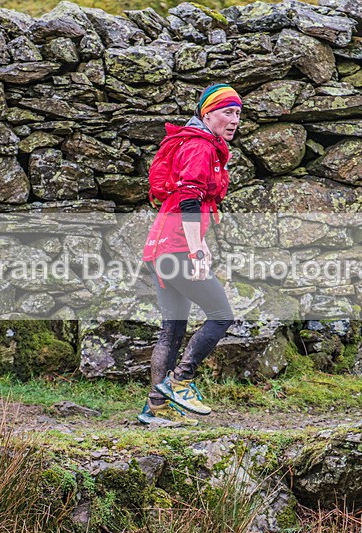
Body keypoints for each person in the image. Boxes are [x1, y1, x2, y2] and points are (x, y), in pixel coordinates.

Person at [138, 84, 241, 426]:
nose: (234, 119)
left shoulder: (193, 142)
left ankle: (156, 409)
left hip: (160, 248)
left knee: (172, 329)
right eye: (227, 111)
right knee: (221, 314)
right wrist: (196, 249)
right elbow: (189, 200)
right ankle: (181, 382)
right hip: (177, 249)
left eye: (238, 113)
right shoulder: (200, 145)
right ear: (206, 113)